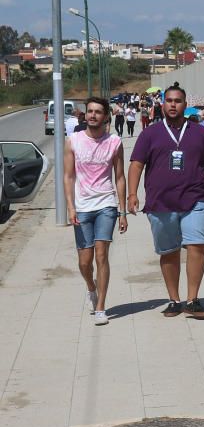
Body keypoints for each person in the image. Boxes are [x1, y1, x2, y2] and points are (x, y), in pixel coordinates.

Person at [127, 82, 204, 319]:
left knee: (197, 245)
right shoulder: (150, 133)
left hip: (196, 196)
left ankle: (193, 300)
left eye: (177, 101)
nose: (173, 105)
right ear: (162, 104)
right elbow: (137, 164)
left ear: (184, 105)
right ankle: (174, 300)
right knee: (169, 252)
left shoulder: (200, 132)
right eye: (169, 101)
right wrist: (132, 194)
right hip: (161, 201)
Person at [63, 97, 128, 325]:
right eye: (90, 111)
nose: (93, 115)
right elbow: (69, 176)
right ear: (85, 115)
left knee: (102, 256)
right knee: (84, 262)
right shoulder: (73, 141)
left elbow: (120, 177)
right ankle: (91, 288)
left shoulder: (114, 142)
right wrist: (70, 207)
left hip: (106, 205)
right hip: (81, 207)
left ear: (106, 116)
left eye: (98, 112)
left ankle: (101, 307)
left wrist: (122, 212)